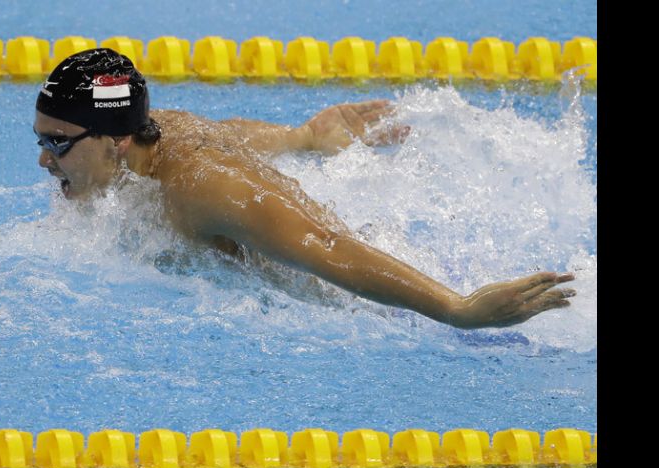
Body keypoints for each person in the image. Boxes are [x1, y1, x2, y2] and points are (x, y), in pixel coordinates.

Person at [34, 48, 576, 330]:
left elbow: (327, 246)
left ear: (118, 140)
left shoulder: (205, 188)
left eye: (58, 144)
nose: (44, 160)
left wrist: (456, 307)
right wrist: (303, 137)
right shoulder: (152, 137)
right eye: (40, 141)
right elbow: (223, 133)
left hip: (361, 306)